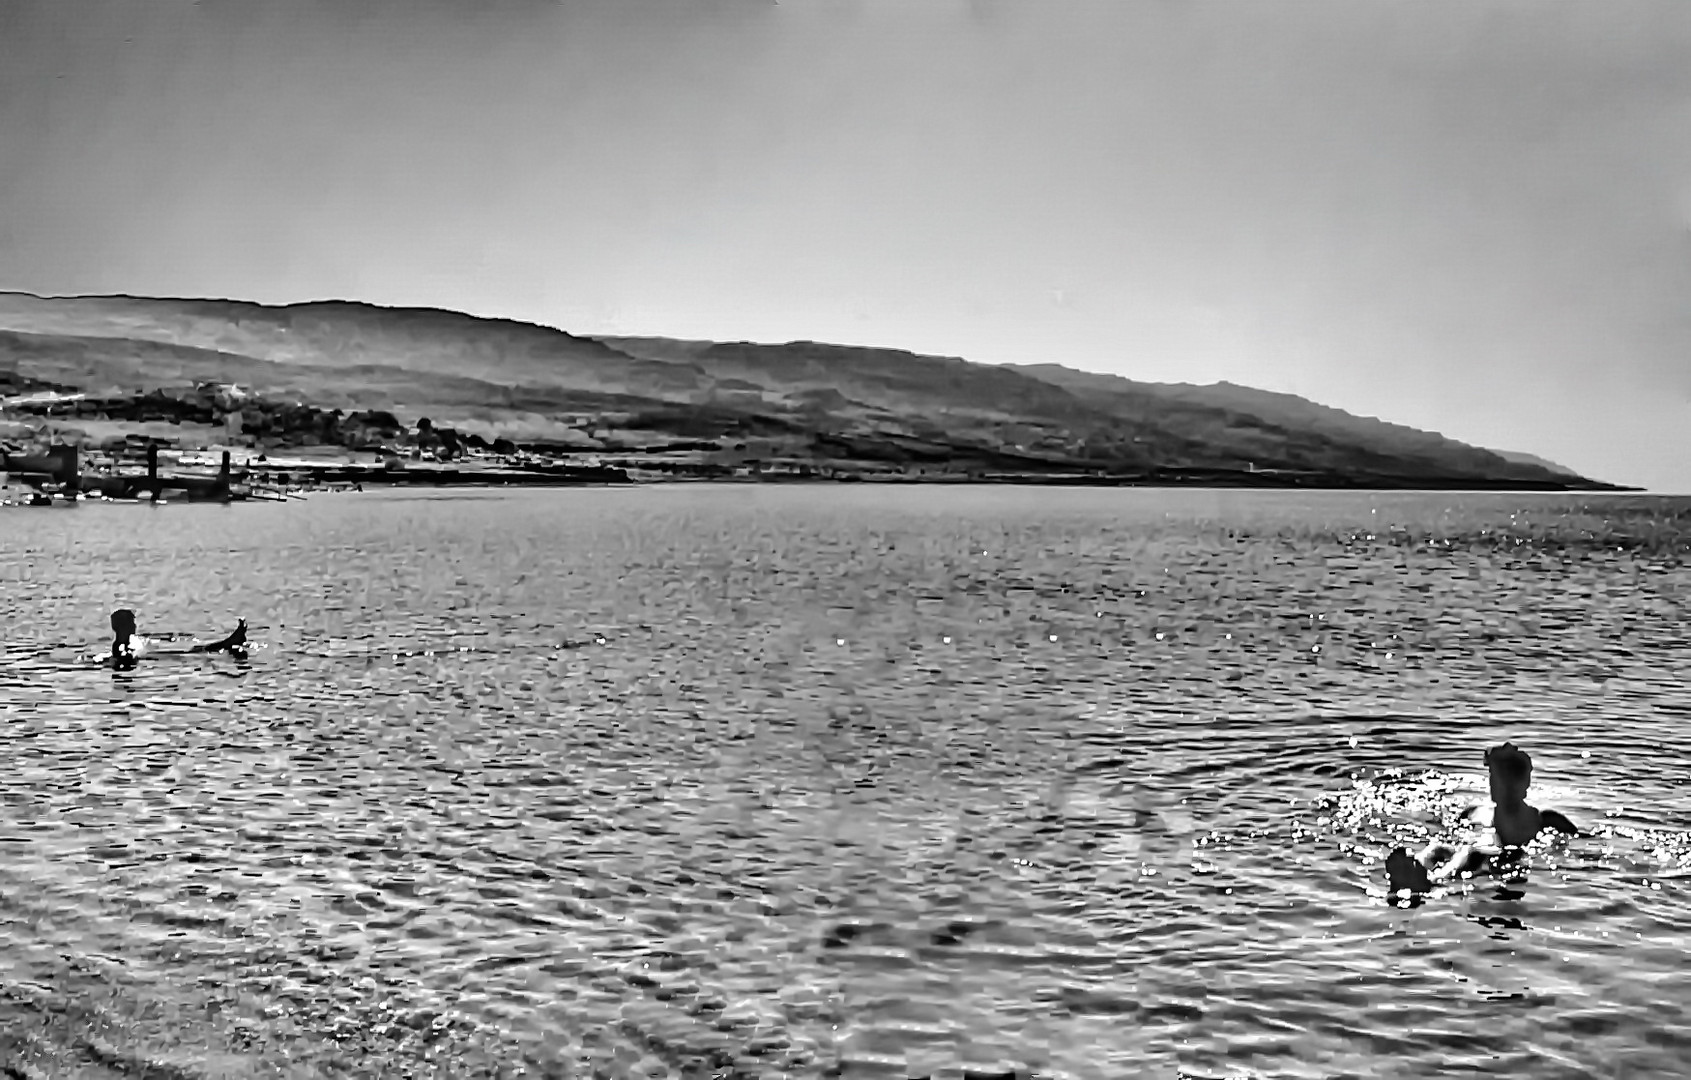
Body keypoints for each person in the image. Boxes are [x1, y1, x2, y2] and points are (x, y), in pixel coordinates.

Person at [1384, 742, 1579, 897]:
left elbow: (1580, 842)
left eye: (1504, 780)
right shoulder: (1475, 811)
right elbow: (1452, 834)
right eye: (1494, 778)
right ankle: (1413, 868)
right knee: (1438, 847)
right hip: (1466, 857)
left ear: (1523, 783)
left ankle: (1429, 881)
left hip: (1503, 861)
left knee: (1475, 851)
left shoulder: (1543, 818)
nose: (1497, 785)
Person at [110, 608, 248, 669]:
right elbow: (125, 656)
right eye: (131, 622)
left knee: (197, 649)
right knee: (196, 652)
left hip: (152, 656)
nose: (135, 625)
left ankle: (231, 641)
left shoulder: (128, 640)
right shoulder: (121, 645)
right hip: (155, 658)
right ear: (124, 626)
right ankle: (230, 641)